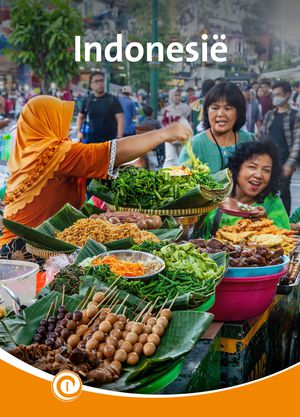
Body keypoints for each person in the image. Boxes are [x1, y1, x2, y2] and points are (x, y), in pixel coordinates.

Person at [0, 95, 191, 248]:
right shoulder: (52, 152)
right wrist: (163, 134)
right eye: (60, 120)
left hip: (18, 243)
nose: (66, 128)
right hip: (26, 250)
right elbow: (107, 153)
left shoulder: (26, 151)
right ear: (47, 121)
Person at [199, 140, 290, 239]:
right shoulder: (214, 194)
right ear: (237, 169)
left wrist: (265, 221)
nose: (258, 175)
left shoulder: (272, 203)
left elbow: (285, 241)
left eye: (266, 170)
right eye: (252, 167)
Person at [178, 82, 254, 174]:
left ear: (238, 112)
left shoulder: (250, 140)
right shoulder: (195, 145)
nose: (220, 114)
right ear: (207, 111)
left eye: (227, 108)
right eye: (215, 108)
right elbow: (181, 181)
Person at [259, 80, 300, 215]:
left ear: (288, 95)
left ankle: (284, 221)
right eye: (274, 94)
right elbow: (262, 136)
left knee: (283, 192)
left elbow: (297, 142)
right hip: (268, 161)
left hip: (284, 162)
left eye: (279, 94)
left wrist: (290, 163)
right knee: (265, 191)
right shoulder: (270, 115)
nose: (276, 97)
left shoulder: (295, 115)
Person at [76, 72, 124, 144]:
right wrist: (79, 132)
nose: (100, 83)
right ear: (91, 85)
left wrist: (119, 138)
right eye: (96, 81)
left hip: (109, 142)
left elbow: (120, 119)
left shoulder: (112, 99)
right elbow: (80, 116)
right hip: (91, 141)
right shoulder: (87, 100)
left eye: (102, 80)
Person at [162, 88, 191, 167]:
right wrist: (169, 128)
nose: (177, 97)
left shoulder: (185, 108)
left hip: (182, 135)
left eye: (179, 95)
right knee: (170, 157)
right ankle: (166, 176)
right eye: (175, 95)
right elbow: (164, 121)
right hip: (170, 135)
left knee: (183, 157)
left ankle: (182, 175)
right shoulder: (167, 109)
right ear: (171, 96)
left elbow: (188, 121)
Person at [136, 105, 164, 170]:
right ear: (152, 113)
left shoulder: (142, 123)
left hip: (144, 144)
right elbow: (160, 131)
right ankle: (160, 162)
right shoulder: (156, 122)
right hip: (155, 144)